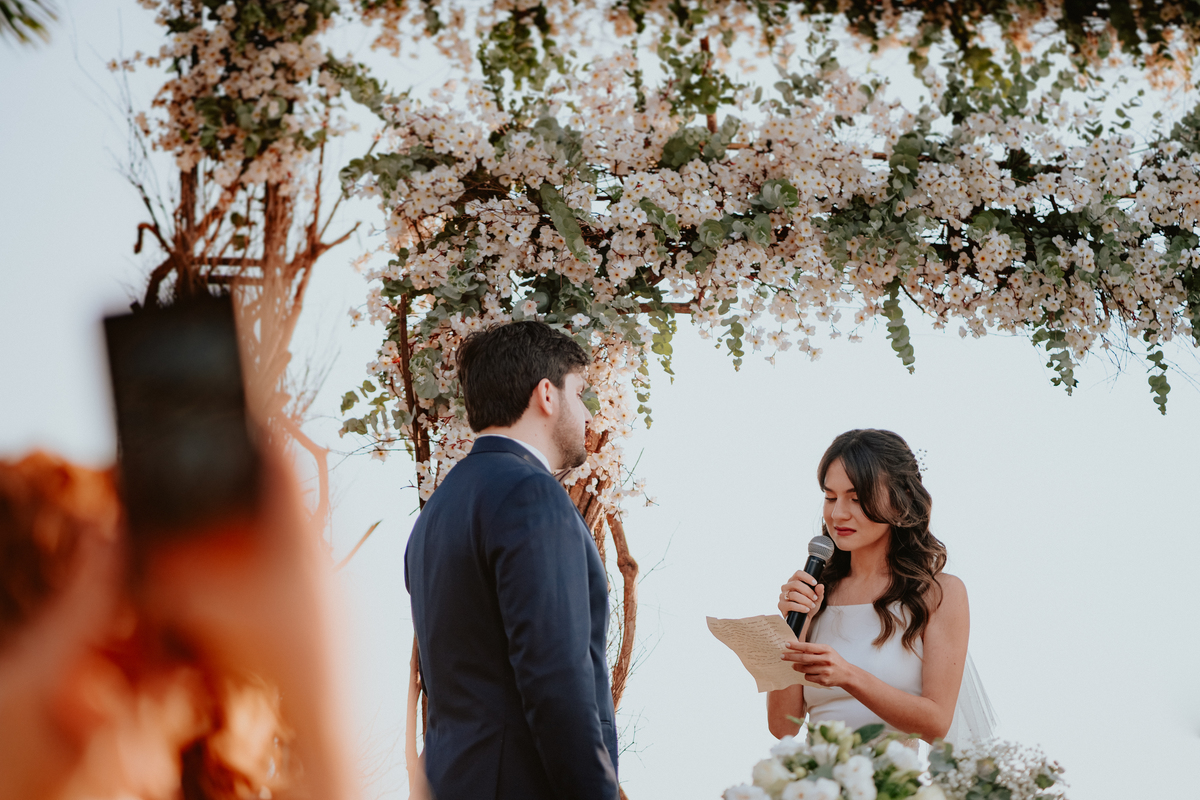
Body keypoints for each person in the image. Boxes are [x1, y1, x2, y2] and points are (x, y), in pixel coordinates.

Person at [405, 320, 620, 800]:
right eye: (580, 392)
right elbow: (555, 677)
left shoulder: (438, 511)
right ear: (547, 393)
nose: (587, 414)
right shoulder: (530, 493)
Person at [767, 429, 970, 745]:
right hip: (813, 786)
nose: (838, 514)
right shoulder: (817, 591)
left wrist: (849, 676)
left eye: (857, 498)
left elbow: (936, 724)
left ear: (900, 499)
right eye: (830, 497)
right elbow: (782, 725)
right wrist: (795, 627)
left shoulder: (939, 594)